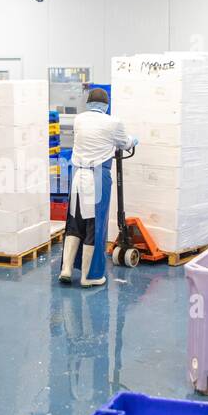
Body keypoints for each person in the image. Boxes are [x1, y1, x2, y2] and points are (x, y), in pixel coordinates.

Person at [60, 88, 136, 287]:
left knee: (75, 223)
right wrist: (133, 140)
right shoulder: (114, 122)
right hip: (97, 178)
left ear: (88, 103)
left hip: (78, 175)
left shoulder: (79, 119)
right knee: (95, 225)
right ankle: (89, 277)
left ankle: (66, 269)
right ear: (106, 105)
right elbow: (125, 143)